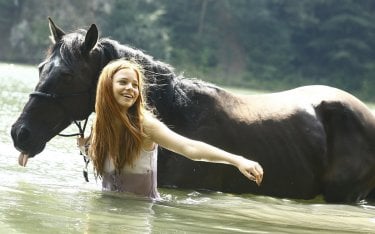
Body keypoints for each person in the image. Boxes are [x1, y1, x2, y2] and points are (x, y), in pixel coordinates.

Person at [78, 59, 263, 199]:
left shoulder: (145, 125)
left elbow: (189, 148)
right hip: (107, 210)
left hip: (139, 216)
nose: (131, 89)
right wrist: (86, 146)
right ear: (107, 87)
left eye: (135, 85)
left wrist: (237, 160)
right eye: (123, 82)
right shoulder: (100, 125)